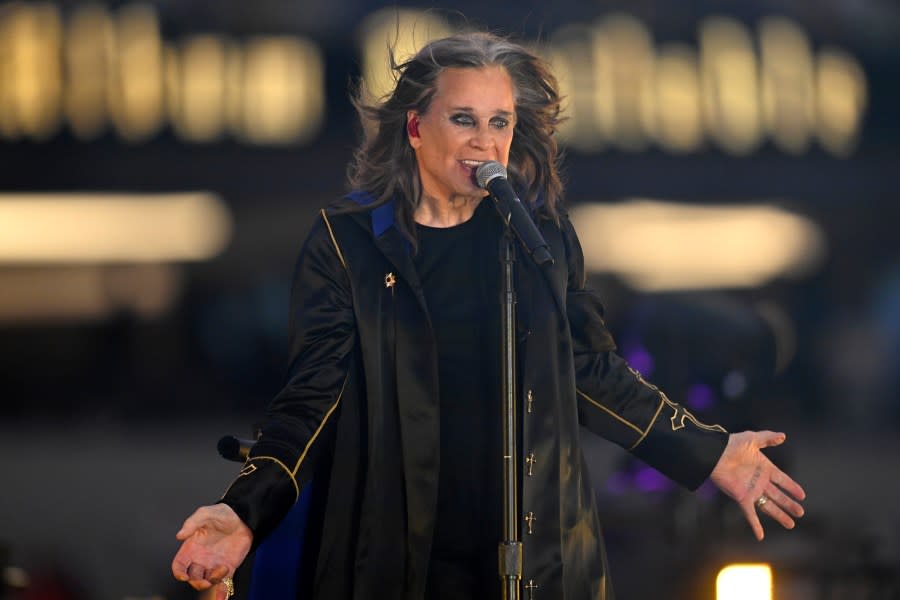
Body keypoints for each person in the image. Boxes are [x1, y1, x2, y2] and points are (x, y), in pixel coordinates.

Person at [171, 32, 806, 600]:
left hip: (539, 560)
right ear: (416, 129)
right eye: (464, 119)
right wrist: (244, 511)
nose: (485, 140)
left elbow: (592, 372)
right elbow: (311, 402)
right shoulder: (349, 243)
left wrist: (710, 452)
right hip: (398, 559)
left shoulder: (539, 238)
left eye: (499, 121)